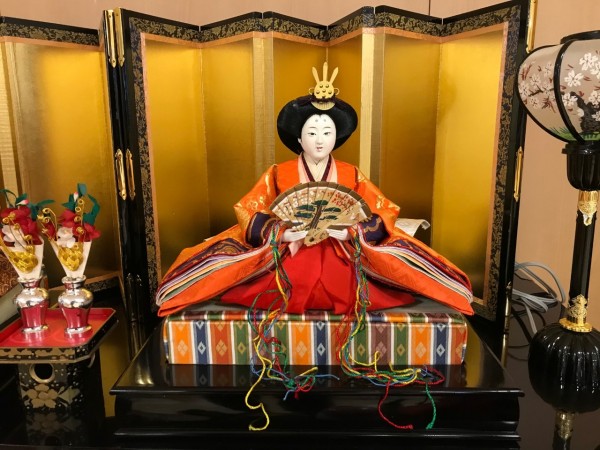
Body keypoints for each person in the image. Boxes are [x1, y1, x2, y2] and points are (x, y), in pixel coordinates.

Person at [155, 65, 473, 317]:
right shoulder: (278, 173)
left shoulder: (351, 174)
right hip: (291, 250)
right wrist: (282, 232)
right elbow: (248, 209)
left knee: (362, 288)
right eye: (311, 132)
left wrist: (351, 232)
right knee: (272, 287)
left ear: (337, 137)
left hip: (341, 249)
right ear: (299, 138)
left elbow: (384, 209)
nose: (320, 140)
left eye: (327, 132)